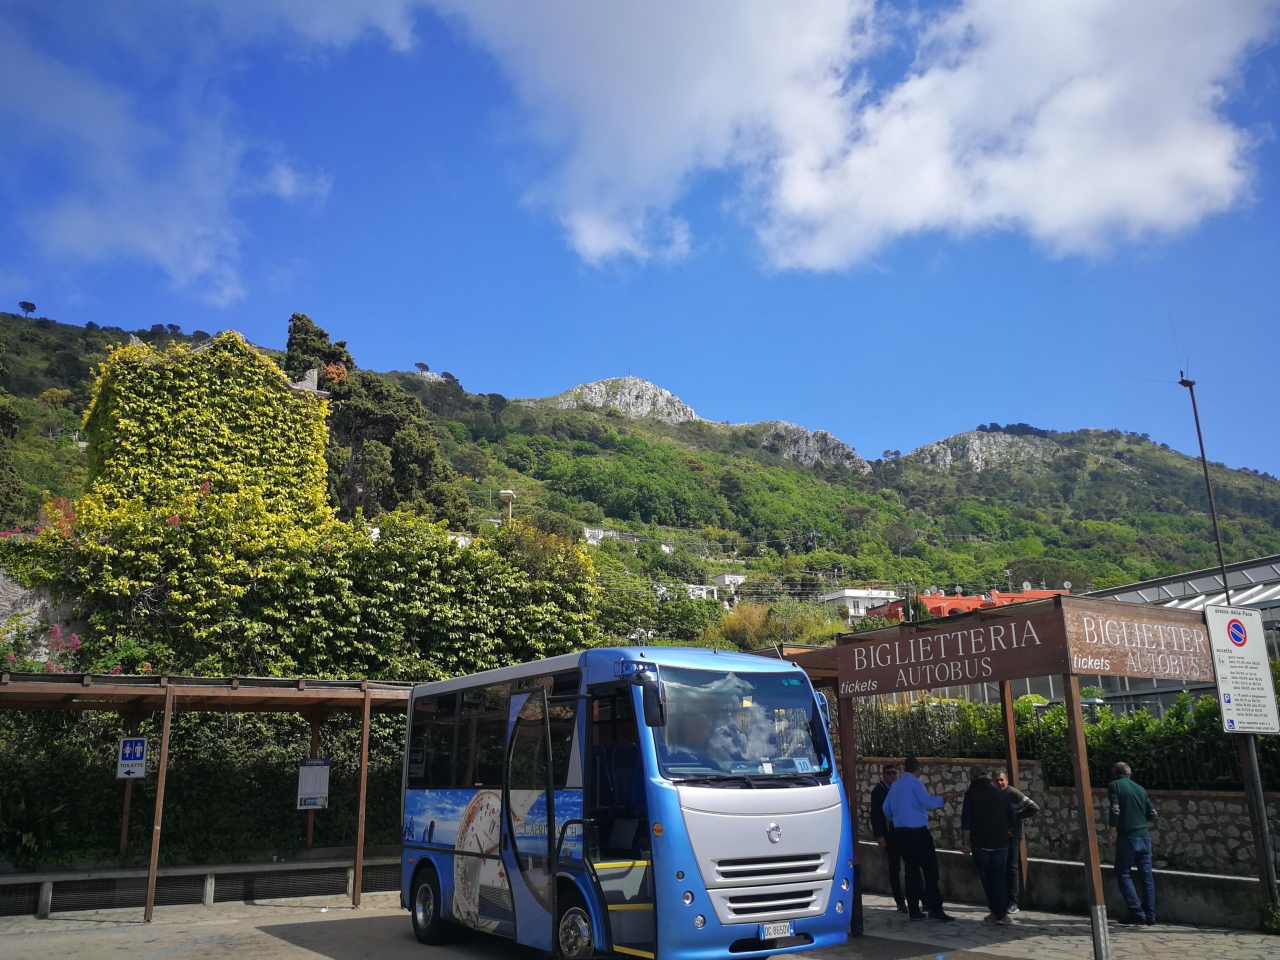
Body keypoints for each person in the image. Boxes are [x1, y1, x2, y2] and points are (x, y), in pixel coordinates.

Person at [880, 756, 954, 922]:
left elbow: (886, 808)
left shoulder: (895, 785)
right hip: (918, 833)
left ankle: (913, 910)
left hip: (901, 833)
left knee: (911, 872)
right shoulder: (915, 783)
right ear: (918, 770)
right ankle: (935, 908)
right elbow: (927, 802)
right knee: (930, 871)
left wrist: (895, 818)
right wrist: (942, 799)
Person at [960, 764, 1015, 925]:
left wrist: (965, 842)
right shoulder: (1000, 792)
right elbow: (1011, 815)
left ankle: (998, 912)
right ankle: (1000, 913)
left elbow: (966, 821)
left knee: (987, 879)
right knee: (999, 878)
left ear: (972, 777)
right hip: (1001, 842)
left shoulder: (971, 794)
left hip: (981, 843)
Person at [1107, 761, 1158, 925]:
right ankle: (1150, 915)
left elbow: (1115, 810)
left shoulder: (1115, 786)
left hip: (1128, 837)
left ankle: (1137, 912)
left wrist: (1111, 834)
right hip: (1144, 837)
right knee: (1146, 876)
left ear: (1114, 774)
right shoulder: (1140, 789)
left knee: (1123, 872)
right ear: (1129, 774)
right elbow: (1153, 814)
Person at [994, 767, 1039, 914]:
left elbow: (1034, 807)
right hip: (1000, 835)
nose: (1000, 783)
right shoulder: (994, 794)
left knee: (1012, 867)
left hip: (1013, 834)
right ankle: (1002, 899)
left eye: (1002, 780)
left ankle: (1013, 901)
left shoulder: (1014, 793)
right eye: (997, 781)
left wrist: (1016, 817)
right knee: (1001, 867)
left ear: (1006, 780)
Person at [869, 763, 906, 913]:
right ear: (883, 776)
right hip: (890, 835)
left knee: (912, 866)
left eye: (894, 773)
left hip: (904, 832)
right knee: (894, 868)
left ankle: (921, 898)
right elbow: (876, 815)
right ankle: (900, 901)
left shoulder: (901, 789)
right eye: (889, 773)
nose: (892, 776)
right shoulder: (878, 791)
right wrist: (879, 835)